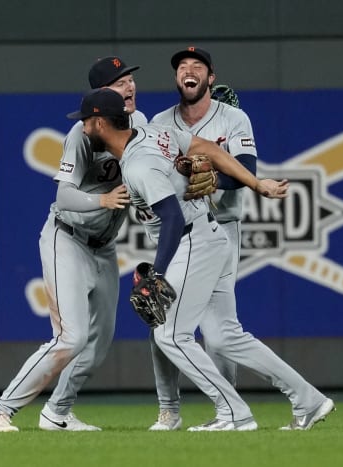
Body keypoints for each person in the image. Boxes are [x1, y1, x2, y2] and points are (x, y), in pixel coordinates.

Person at [68, 87, 291, 431]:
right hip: (189, 238)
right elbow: (200, 151)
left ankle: (232, 412)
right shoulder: (152, 128)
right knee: (173, 329)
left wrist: (157, 273)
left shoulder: (143, 153)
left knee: (197, 335)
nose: (82, 129)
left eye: (85, 122)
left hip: (200, 236)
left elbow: (175, 209)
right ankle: (189, 410)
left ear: (99, 121)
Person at [147, 46, 335, 431]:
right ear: (176, 78)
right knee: (218, 334)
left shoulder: (233, 118)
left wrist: (214, 176)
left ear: (210, 77)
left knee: (177, 325)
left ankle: (226, 411)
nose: (188, 70)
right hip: (180, 231)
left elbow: (246, 170)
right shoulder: (160, 122)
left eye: (197, 66)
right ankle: (304, 399)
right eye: (182, 66)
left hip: (219, 229)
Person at [0, 56, 146, 432]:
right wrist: (103, 200)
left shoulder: (142, 125)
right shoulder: (81, 136)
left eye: (130, 79)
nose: (130, 86)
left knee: (98, 343)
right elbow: (64, 198)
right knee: (72, 337)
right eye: (120, 83)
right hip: (67, 238)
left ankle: (57, 412)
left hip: (104, 246)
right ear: (101, 96)